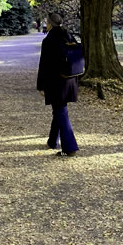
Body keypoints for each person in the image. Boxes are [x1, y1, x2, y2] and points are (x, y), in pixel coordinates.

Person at [36, 12, 79, 157]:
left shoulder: (49, 40)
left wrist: (41, 86)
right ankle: (52, 141)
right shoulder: (68, 35)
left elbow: (44, 65)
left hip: (56, 82)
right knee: (59, 109)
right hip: (70, 80)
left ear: (49, 24)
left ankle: (70, 147)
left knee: (61, 111)